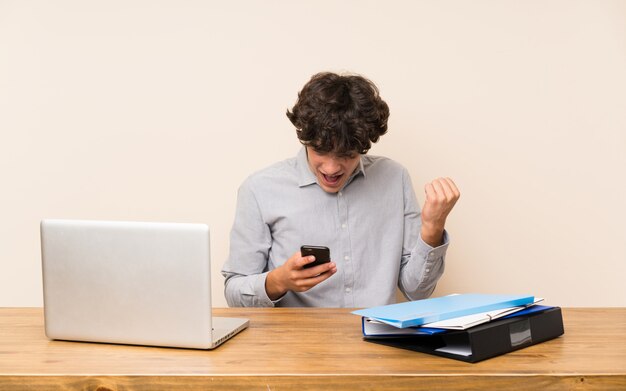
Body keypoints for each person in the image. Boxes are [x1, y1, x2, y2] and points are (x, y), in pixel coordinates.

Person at [222, 72, 460, 307]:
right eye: (321, 150)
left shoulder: (394, 178)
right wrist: (278, 281)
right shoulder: (260, 189)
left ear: (363, 145)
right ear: (305, 139)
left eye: (347, 154)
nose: (332, 168)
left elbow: (416, 292)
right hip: (296, 342)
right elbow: (234, 291)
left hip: (375, 338)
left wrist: (432, 228)